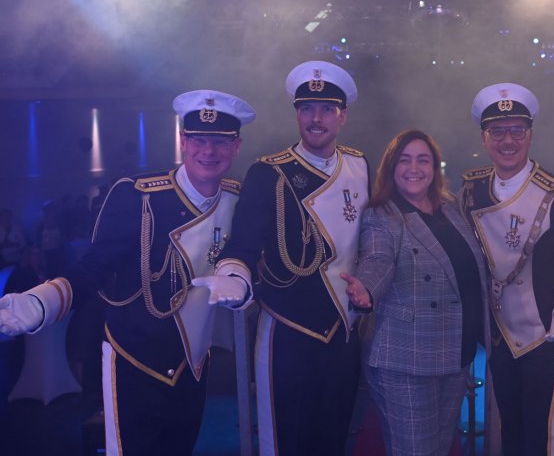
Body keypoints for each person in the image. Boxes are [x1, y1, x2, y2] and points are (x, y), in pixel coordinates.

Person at [0, 90, 257, 456]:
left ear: (236, 146)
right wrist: (42, 302)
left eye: (220, 141)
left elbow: (246, 252)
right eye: (199, 139)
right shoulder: (138, 196)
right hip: (135, 360)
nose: (209, 151)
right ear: (183, 141)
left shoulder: (238, 199)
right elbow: (94, 267)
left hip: (194, 363)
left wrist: (240, 277)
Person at [217, 61, 370, 456]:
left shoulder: (360, 166)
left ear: (342, 116)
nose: (316, 119)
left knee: (334, 439)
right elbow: (243, 245)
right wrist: (233, 274)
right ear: (297, 114)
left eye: (326, 109)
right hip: (288, 329)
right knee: (286, 442)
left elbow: (371, 241)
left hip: (343, 332)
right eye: (307, 109)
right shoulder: (268, 173)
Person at [457, 83, 554, 456]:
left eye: (517, 130)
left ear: (530, 135)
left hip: (544, 335)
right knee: (509, 435)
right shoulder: (471, 191)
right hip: (497, 337)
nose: (508, 140)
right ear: (484, 138)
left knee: (543, 438)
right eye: (497, 131)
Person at [342, 129, 488, 456]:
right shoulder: (382, 214)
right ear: (391, 167)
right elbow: (377, 259)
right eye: (404, 160)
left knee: (439, 449)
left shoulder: (450, 207)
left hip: (455, 354)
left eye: (423, 160)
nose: (414, 168)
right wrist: (366, 289)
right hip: (405, 359)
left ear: (434, 168)